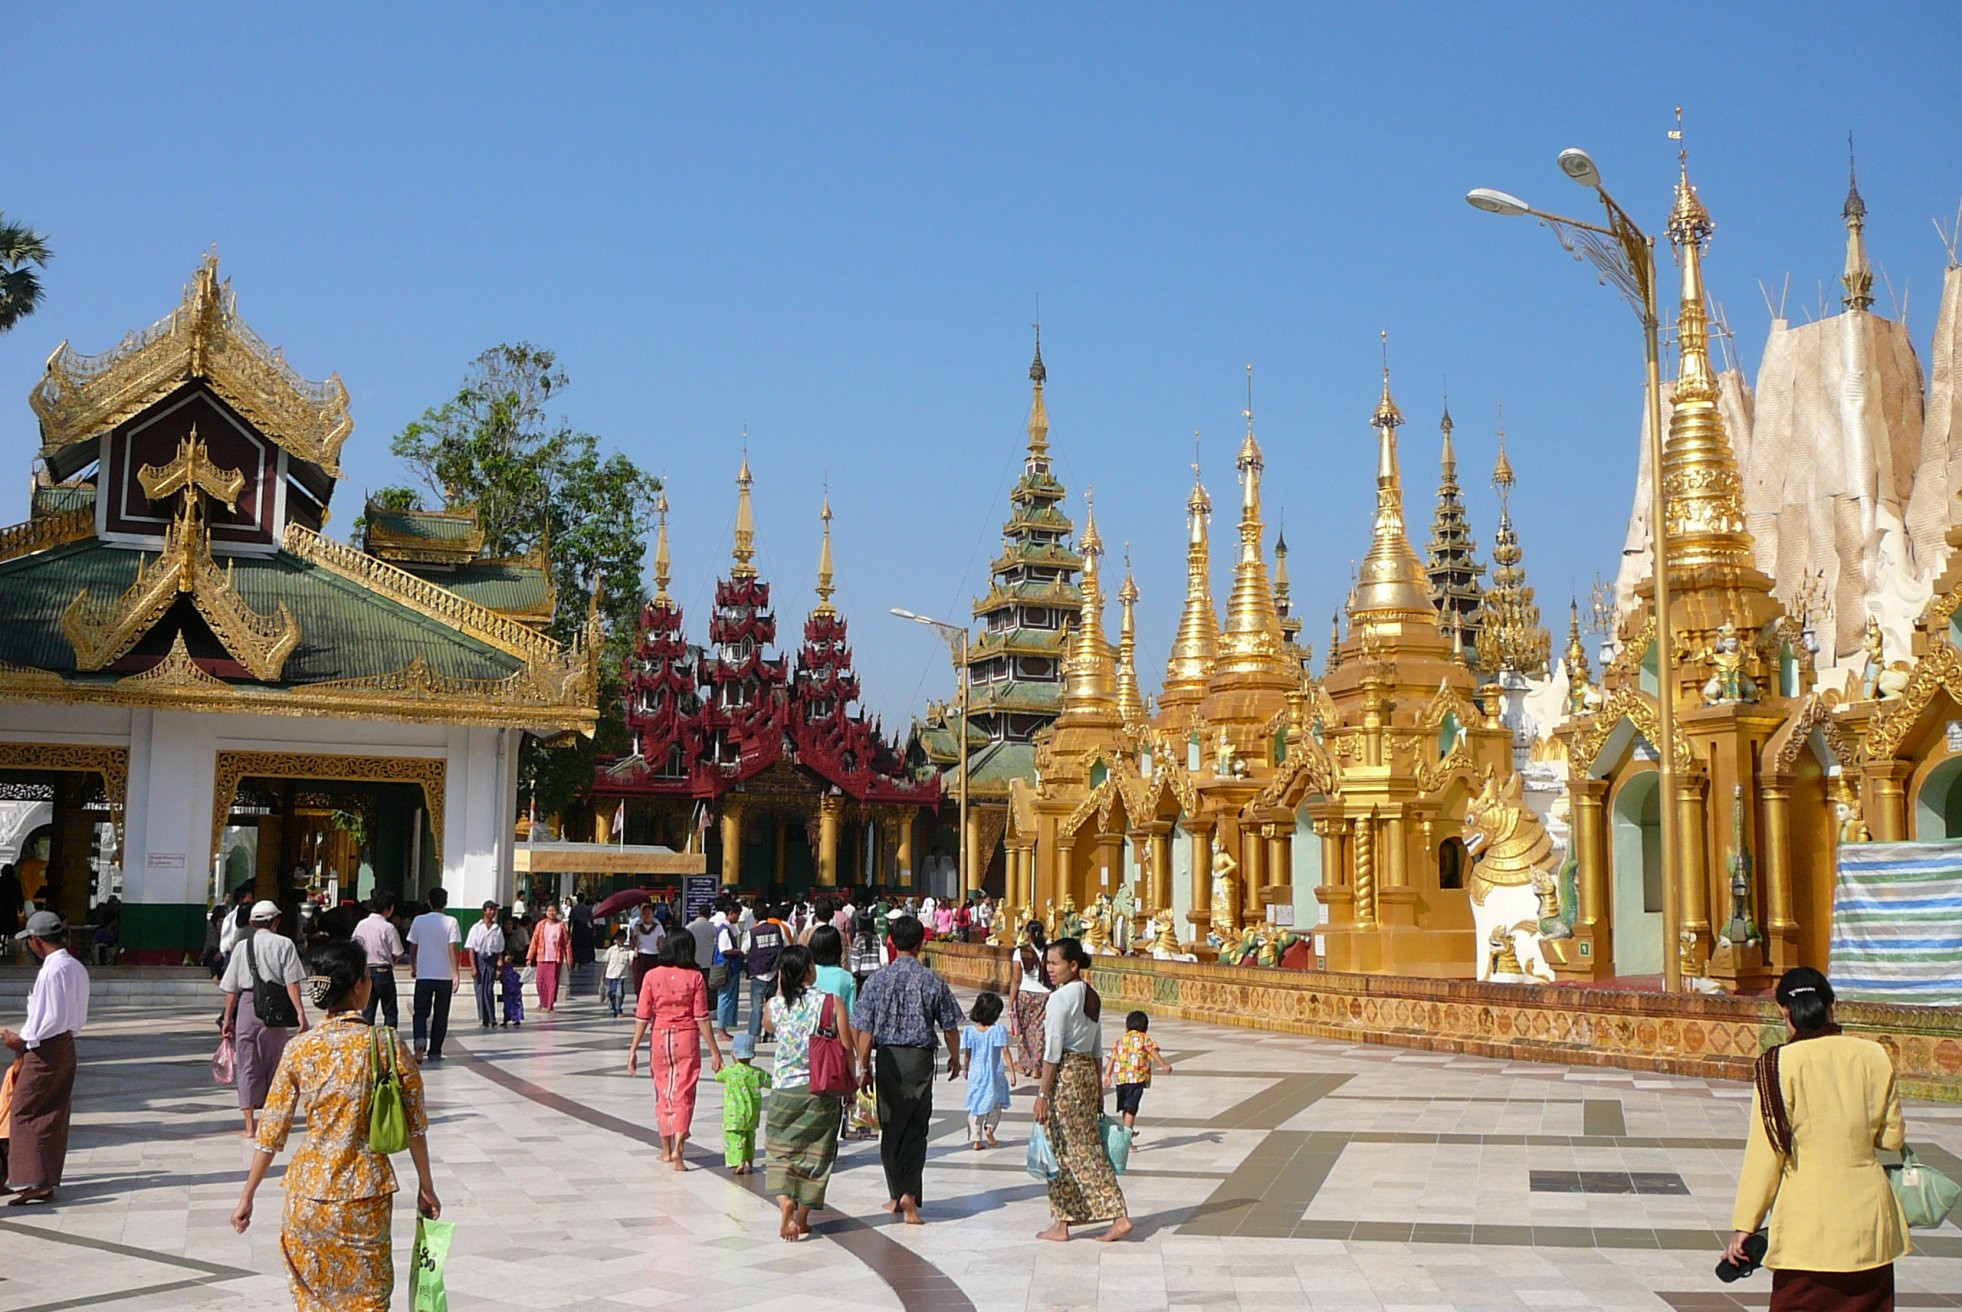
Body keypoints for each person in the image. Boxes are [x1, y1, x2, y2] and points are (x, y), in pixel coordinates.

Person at [231, 940, 439, 1311]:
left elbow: (271, 1132)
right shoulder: (386, 1044)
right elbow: (416, 1126)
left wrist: (247, 1196)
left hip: (306, 1197)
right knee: (368, 1299)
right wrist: (426, 1186)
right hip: (365, 1196)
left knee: (314, 1303)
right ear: (359, 985)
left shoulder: (299, 1049)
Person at [1726, 967, 1908, 1310]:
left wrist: (1744, 1226)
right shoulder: (1873, 1055)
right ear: (1832, 1005)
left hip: (1807, 1229)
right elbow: (1892, 1138)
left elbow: (1766, 1156)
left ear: (1784, 1011)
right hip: (1870, 1225)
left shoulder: (1777, 1065)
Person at [851, 913, 963, 1225]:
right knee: (916, 1128)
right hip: (920, 1061)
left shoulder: (877, 981)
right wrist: (954, 1057)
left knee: (891, 1128)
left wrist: (863, 1066)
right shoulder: (932, 980)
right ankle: (909, 1195)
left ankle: (895, 1192)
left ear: (891, 942)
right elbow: (951, 1027)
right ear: (921, 943)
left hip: (887, 1058)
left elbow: (864, 1030)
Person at [1033, 937, 1130, 1242]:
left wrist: (1043, 1095)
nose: (1049, 969)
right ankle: (1063, 1220)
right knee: (1071, 1147)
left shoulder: (1060, 999)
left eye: (1055, 963)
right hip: (1086, 1073)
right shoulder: (1090, 995)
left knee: (1071, 1149)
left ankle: (1118, 1214)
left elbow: (1052, 1051)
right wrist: (1100, 1088)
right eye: (1047, 963)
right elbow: (1097, 1046)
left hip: (1067, 1077)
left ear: (1072, 965)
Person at [764, 944, 858, 1242]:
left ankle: (784, 1202)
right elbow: (846, 1048)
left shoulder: (775, 1006)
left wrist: (782, 988)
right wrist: (852, 1085)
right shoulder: (831, 1003)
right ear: (809, 970)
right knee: (817, 1154)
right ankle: (802, 1218)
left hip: (784, 1089)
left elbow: (768, 1026)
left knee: (780, 1151)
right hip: (822, 1089)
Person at [1, 910, 89, 1205]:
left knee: (25, 1111)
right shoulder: (75, 967)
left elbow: (48, 1018)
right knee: (53, 1112)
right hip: (65, 1045)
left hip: (45, 1049)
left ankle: (34, 1180)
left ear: (36, 941)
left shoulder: (52, 971)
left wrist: (21, 1041)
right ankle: (44, 1176)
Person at [627, 931, 724, 1169]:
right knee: (684, 1092)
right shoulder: (695, 977)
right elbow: (702, 1016)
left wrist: (633, 1048)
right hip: (687, 1037)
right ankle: (680, 1146)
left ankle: (666, 1149)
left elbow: (642, 1015)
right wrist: (714, 1051)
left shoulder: (651, 976)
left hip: (660, 1037)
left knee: (663, 1091)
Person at [220, 901, 309, 1138]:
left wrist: (227, 1019)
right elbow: (292, 981)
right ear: (276, 921)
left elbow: (232, 989)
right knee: (275, 1065)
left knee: (247, 1065)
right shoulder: (285, 944)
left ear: (251, 923)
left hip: (248, 1008)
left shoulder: (241, 947)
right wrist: (300, 1013)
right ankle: (271, 1120)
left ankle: (250, 1126)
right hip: (276, 1011)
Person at [405, 889, 461, 1061]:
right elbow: (453, 948)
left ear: (429, 901)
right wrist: (455, 972)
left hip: (424, 975)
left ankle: (420, 1043)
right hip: (444, 976)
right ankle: (435, 1051)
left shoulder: (419, 921)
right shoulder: (451, 921)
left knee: (420, 1012)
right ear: (445, 902)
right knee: (440, 1014)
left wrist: (414, 965)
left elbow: (413, 947)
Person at [962, 991, 1019, 1150]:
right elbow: (1005, 1051)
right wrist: (1012, 1072)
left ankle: (976, 1139)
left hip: (976, 1074)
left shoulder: (969, 1031)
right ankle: (990, 1129)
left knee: (976, 1105)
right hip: (994, 1074)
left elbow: (967, 1054)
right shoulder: (997, 1030)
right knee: (996, 1104)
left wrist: (966, 1069)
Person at [1105, 1010, 1172, 1138]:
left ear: (1127, 1026)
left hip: (1120, 1080)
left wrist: (1107, 1076)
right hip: (1136, 1078)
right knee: (1131, 1108)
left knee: (1127, 1107)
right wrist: (1164, 1065)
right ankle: (1127, 1138)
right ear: (1145, 1027)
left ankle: (1127, 1128)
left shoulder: (1120, 1041)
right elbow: (1152, 1052)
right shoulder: (1145, 1039)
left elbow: (1112, 1058)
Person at [714, 1032, 771, 1175]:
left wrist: (720, 1066)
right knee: (749, 1137)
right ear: (753, 1055)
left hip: (733, 1115)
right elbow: (771, 1082)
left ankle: (738, 1162)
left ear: (733, 1054)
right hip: (751, 1114)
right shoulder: (757, 1073)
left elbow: (718, 1076)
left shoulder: (730, 1072)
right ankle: (749, 1162)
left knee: (734, 1138)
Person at [743, 903, 790, 1043]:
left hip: (758, 974)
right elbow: (786, 946)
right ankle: (770, 1035)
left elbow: (744, 949)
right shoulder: (778, 929)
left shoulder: (752, 932)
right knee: (772, 1006)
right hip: (774, 972)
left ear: (755, 917)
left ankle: (754, 1035)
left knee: (757, 1007)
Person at [1007, 928, 1051, 1076]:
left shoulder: (1020, 952)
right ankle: (1037, 1067)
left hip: (1025, 993)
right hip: (1044, 993)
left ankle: (1025, 1063)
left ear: (1028, 935)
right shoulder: (1049, 950)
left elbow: (1016, 979)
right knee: (1039, 1029)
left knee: (1023, 1029)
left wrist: (1011, 1001)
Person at [464, 901, 504, 1029]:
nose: (492, 912)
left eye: (494, 910)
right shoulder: (476, 928)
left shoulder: (496, 929)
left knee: (489, 990)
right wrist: (473, 967)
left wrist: (499, 966)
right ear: (484, 911)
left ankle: (491, 1017)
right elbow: (471, 948)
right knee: (480, 989)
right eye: (490, 909)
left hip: (491, 960)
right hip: (479, 959)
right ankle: (483, 1017)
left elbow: (499, 950)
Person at [527, 901, 570, 1013]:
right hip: (542, 957)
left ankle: (550, 1004)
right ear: (545, 912)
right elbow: (534, 941)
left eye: (554, 911)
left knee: (552, 982)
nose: (551, 913)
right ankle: (542, 1002)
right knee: (540, 981)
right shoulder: (540, 925)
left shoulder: (561, 926)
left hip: (555, 958)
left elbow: (567, 943)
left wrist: (569, 959)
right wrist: (529, 957)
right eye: (549, 911)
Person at [713, 902, 743, 1039]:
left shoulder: (728, 928)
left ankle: (723, 1028)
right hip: (727, 969)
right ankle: (721, 1030)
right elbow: (725, 950)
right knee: (724, 998)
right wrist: (739, 952)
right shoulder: (724, 930)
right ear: (731, 913)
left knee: (727, 997)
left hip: (730, 968)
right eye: (738, 914)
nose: (738, 917)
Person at [627, 903, 665, 1000]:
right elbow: (632, 944)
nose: (647, 915)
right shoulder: (637, 927)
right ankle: (641, 1002)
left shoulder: (658, 927)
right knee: (639, 982)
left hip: (654, 956)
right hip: (641, 956)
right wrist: (633, 936)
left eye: (649, 913)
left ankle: (652, 1002)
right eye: (644, 913)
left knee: (654, 982)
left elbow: (661, 943)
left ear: (653, 914)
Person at [603, 930, 633, 1017]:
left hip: (621, 975)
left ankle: (618, 1008)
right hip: (610, 975)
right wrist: (603, 975)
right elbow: (606, 962)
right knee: (611, 992)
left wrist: (634, 946)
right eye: (619, 938)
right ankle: (612, 1008)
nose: (621, 941)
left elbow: (632, 960)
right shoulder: (611, 950)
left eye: (623, 939)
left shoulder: (627, 952)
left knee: (619, 993)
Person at [686, 902, 716, 972]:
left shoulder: (689, 927)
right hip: (707, 961)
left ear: (698, 913)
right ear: (710, 915)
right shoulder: (713, 928)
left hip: (692, 960)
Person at [498, 952, 525, 1027]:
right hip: (507, 988)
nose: (508, 958)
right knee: (507, 1005)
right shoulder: (501, 967)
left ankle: (516, 1019)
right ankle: (506, 1019)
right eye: (507, 956)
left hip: (515, 988)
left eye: (510, 956)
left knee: (516, 1003)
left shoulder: (513, 967)